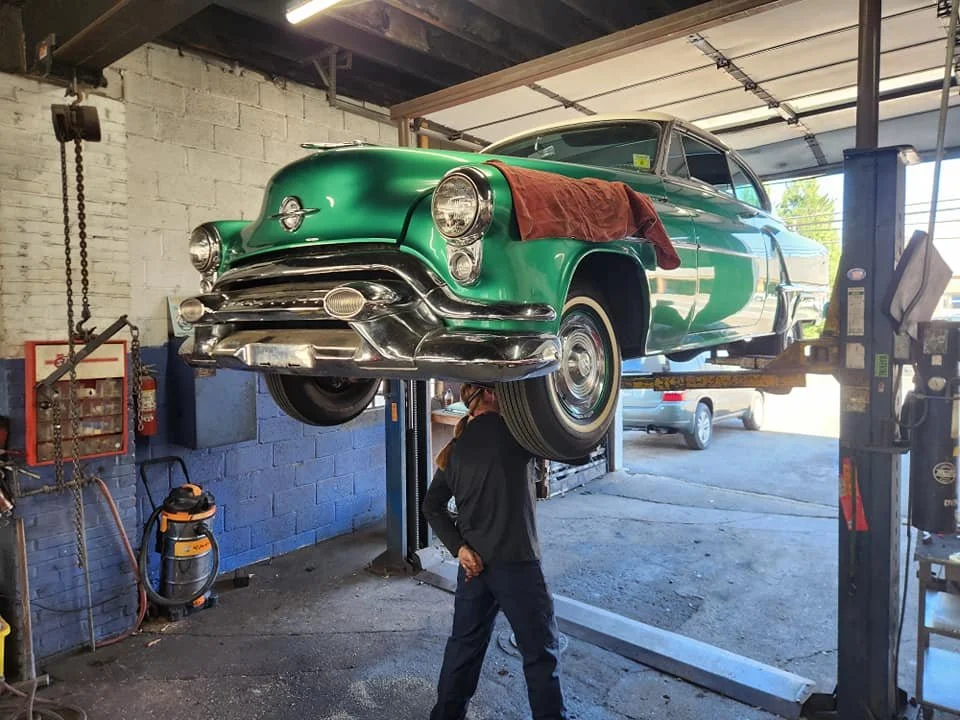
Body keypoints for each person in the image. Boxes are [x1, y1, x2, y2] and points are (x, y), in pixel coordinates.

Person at [422, 382, 567, 720]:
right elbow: (575, 447)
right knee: (540, 655)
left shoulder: (455, 448)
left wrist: (459, 549)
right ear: (489, 394)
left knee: (463, 651)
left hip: (474, 567)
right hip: (518, 565)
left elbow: (431, 506)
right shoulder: (517, 433)